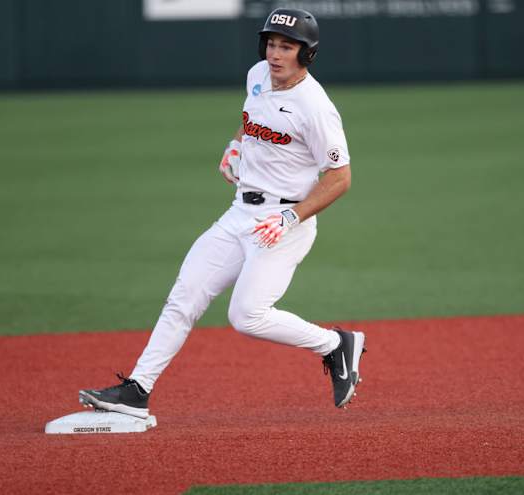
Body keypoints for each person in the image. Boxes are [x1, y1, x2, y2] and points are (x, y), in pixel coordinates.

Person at [79, 8, 366, 418]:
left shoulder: (315, 107)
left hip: (282, 224)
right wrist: (235, 145)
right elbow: (251, 121)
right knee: (183, 297)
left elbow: (340, 178)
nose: (275, 53)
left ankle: (336, 345)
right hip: (238, 214)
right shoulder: (257, 76)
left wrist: (292, 217)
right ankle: (137, 390)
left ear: (307, 54)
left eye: (287, 47)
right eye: (271, 43)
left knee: (247, 316)